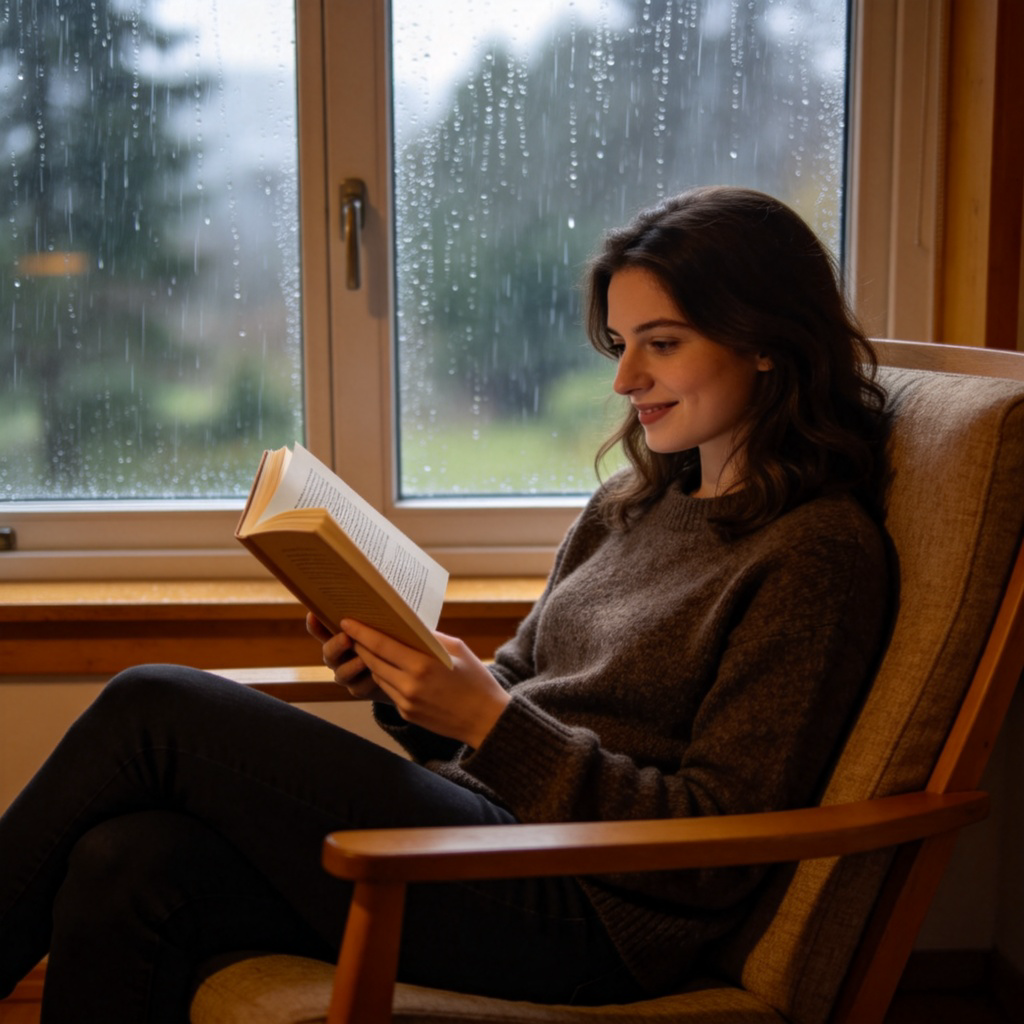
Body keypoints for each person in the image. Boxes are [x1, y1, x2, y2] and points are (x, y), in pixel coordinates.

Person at [0, 186, 890, 1023]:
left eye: (663, 343)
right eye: (620, 347)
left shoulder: (816, 554)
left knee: (156, 705)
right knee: (125, 862)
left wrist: (495, 725)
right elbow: (514, 696)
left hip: (602, 912)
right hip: (495, 839)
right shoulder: (634, 502)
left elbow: (718, 840)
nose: (625, 383)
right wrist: (403, 686)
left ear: (766, 338)